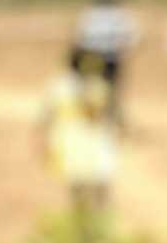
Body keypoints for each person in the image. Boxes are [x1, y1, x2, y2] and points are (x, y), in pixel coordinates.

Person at [40, 48, 119, 216]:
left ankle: (93, 218)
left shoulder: (94, 86)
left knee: (95, 182)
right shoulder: (69, 86)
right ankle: (85, 220)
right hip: (76, 139)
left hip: (85, 139)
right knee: (84, 183)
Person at [75, 0, 138, 121]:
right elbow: (132, 37)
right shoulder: (120, 16)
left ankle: (93, 114)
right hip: (112, 57)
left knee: (93, 86)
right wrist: (125, 51)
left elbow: (81, 38)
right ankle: (110, 114)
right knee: (112, 88)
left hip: (94, 57)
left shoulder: (91, 15)